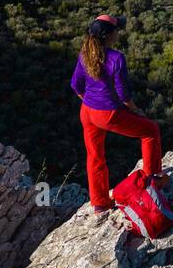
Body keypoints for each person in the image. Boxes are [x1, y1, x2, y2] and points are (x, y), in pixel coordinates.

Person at [71, 14, 165, 213]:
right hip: (106, 113)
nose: (119, 32)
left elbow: (76, 85)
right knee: (150, 130)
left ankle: (100, 203)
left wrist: (90, 102)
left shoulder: (84, 54)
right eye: (116, 29)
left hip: (86, 112)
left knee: (95, 156)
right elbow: (123, 93)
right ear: (109, 35)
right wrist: (135, 109)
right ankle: (153, 179)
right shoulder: (116, 58)